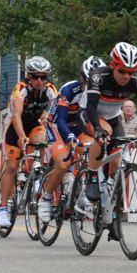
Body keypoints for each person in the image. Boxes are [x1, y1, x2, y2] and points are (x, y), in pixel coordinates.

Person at [80, 42, 137, 204]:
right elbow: (91, 106)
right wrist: (97, 128)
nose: (126, 76)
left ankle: (109, 206)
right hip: (90, 114)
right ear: (112, 65)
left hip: (113, 118)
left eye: (131, 73)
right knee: (105, 131)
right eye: (122, 71)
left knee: (116, 164)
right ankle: (92, 176)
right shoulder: (98, 76)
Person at [39, 56, 103, 223]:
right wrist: (69, 137)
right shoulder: (70, 89)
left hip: (78, 126)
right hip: (58, 126)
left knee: (95, 153)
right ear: (82, 79)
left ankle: (84, 192)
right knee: (63, 164)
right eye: (89, 82)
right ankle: (45, 199)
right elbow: (60, 119)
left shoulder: (101, 93)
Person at [0, 56, 57, 228]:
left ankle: (35, 173)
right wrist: (22, 137)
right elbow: (16, 115)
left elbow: (54, 112)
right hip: (16, 126)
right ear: (29, 76)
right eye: (36, 77)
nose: (40, 81)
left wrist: (48, 120)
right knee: (12, 167)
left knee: (40, 139)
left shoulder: (51, 90)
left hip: (34, 125)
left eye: (43, 77)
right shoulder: (21, 89)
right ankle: (2, 208)